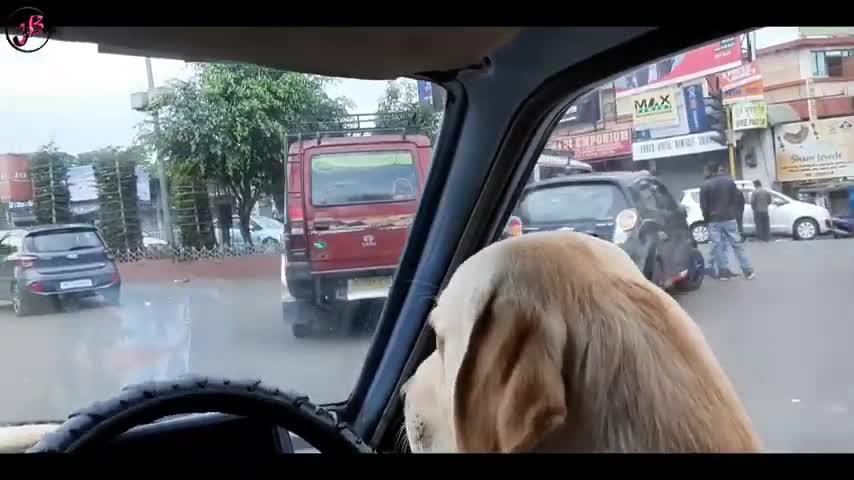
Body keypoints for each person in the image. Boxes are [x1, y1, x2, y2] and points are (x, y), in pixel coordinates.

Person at [699, 161, 755, 280]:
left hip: (714, 220)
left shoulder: (705, 185)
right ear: (718, 169)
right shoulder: (729, 181)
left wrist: (706, 219)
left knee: (718, 246)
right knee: (737, 245)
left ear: (709, 171)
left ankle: (723, 272)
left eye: (705, 171)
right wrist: (733, 213)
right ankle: (748, 271)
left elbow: (703, 206)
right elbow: (736, 199)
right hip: (730, 218)